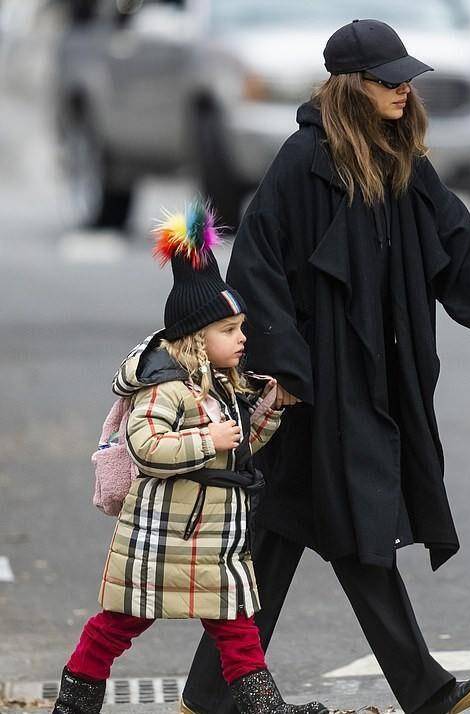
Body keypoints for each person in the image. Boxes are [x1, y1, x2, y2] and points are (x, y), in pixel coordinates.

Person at [180, 20, 470, 714]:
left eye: (405, 78)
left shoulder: (403, 164)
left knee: (286, 530)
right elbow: (257, 270)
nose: (402, 88)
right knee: (348, 526)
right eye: (387, 79)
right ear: (347, 87)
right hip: (306, 386)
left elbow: (461, 249)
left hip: (362, 381)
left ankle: (208, 694)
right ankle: (423, 691)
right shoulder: (302, 164)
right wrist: (285, 373)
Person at [51, 202, 327, 714]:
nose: (243, 338)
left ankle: (266, 710)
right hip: (162, 535)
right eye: (230, 330)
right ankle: (73, 703)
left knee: (238, 629)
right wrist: (208, 441)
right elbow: (147, 447)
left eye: (242, 326)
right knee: (116, 624)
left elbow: (241, 444)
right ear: (196, 337)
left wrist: (266, 413)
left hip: (211, 537)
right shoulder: (166, 388)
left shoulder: (222, 386)